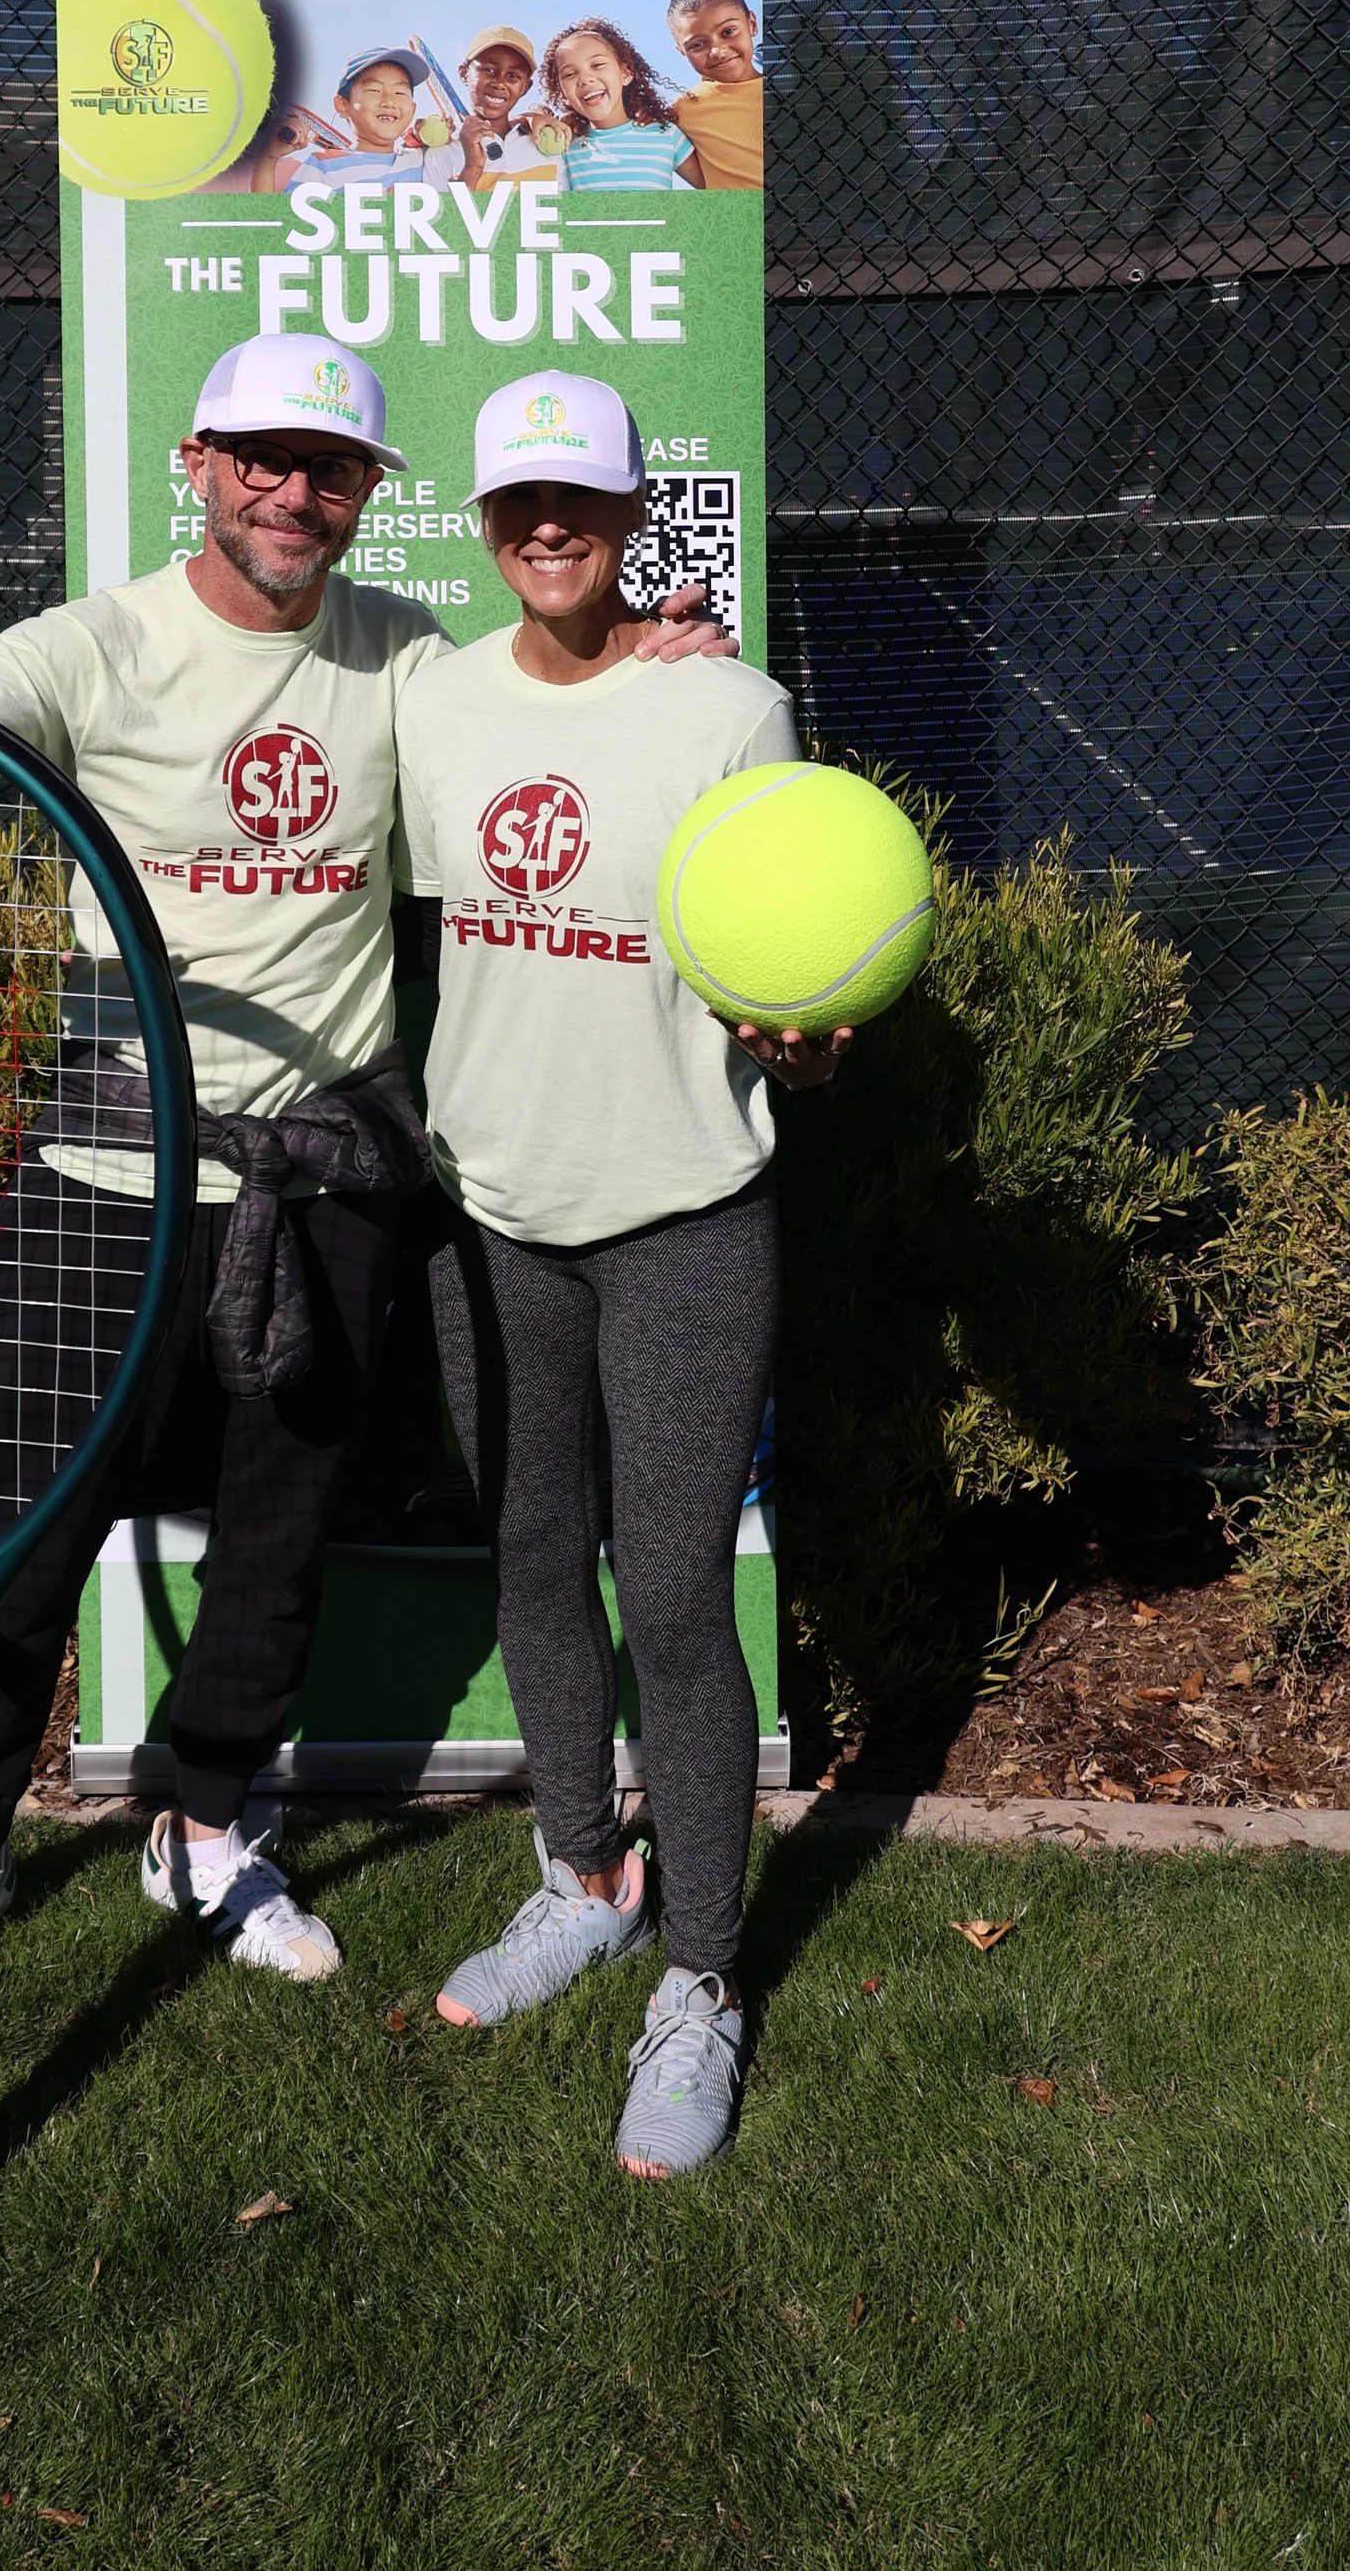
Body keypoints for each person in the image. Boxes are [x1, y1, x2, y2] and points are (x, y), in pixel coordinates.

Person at [0, 334, 729, 2025]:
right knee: (23, 1553)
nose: (290, 491)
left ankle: (208, 1820)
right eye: (260, 457)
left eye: (328, 469)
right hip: (104, 1177)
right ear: (197, 459)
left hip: (325, 1188)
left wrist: (655, 661)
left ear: (368, 497)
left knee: (277, 1548)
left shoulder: (409, 660)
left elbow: (563, 735)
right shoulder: (93, 646)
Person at [395, 370, 846, 2178]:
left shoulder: (736, 711)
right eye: (518, 500)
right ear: (488, 518)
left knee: (672, 1598)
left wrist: (807, 1045)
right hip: (489, 1213)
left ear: (628, 508)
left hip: (683, 1216)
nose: (546, 525)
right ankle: (583, 1872)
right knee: (527, 1557)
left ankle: (706, 1979)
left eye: (578, 496)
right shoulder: (430, 701)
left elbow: (801, 996)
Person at [251, 45, 442, 194]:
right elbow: (274, 226)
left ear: (413, 108)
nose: (389, 101)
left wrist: (445, 139)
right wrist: (268, 157)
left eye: (400, 92)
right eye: (374, 90)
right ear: (342, 105)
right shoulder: (322, 167)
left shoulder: (422, 159)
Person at [544, 19, 694, 192]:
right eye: (570, 74)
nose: (585, 79)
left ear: (625, 73)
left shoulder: (666, 134)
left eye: (597, 65)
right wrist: (535, 114)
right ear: (561, 92)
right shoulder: (565, 146)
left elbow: (717, 191)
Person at [664, 0, 766, 193]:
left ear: (752, 24)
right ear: (681, 51)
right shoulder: (683, 110)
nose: (718, 51)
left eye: (728, 31)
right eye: (697, 45)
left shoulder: (790, 89)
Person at [451, 22, 565, 188]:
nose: (500, 82)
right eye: (489, 70)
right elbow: (447, 214)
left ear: (525, 87)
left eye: (513, 75)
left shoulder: (547, 143)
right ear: (464, 73)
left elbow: (565, 211)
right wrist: (472, 168)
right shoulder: (441, 151)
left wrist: (530, 117)